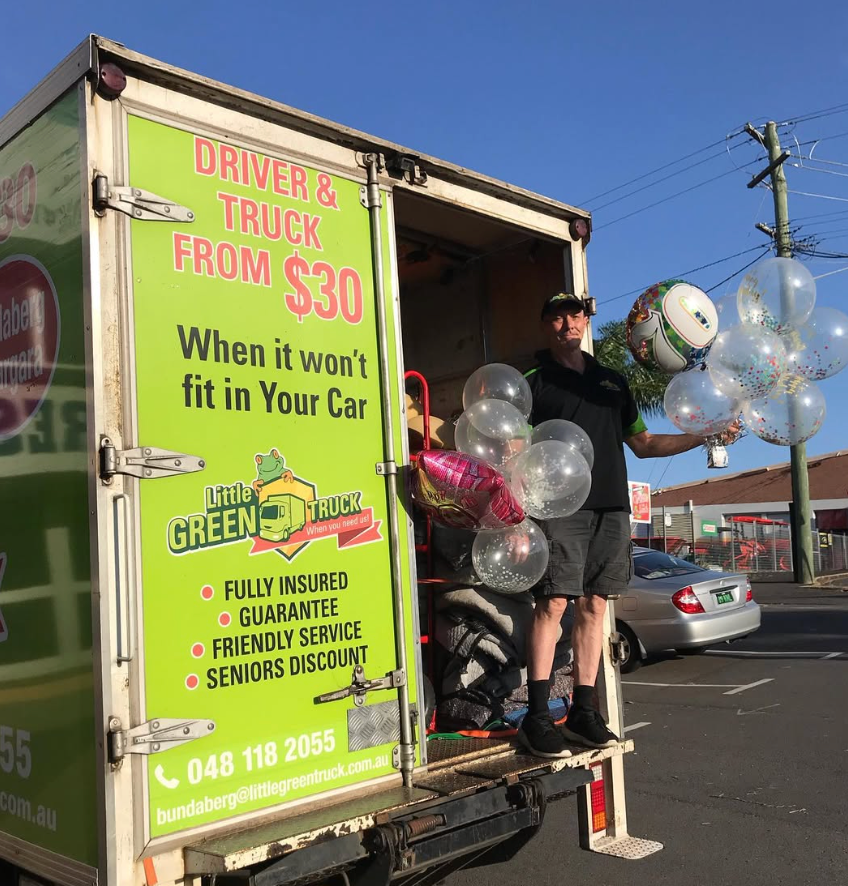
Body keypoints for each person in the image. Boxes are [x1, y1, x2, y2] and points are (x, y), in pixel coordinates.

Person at [516, 292, 738, 758]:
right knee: (554, 603)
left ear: (584, 321)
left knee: (596, 606)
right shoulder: (531, 381)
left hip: (612, 508)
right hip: (559, 509)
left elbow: (644, 442)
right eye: (555, 317)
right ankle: (537, 717)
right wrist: (521, 514)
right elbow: (511, 449)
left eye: (574, 315)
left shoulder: (612, 382)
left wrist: (703, 436)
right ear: (544, 326)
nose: (567, 323)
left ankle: (583, 710)